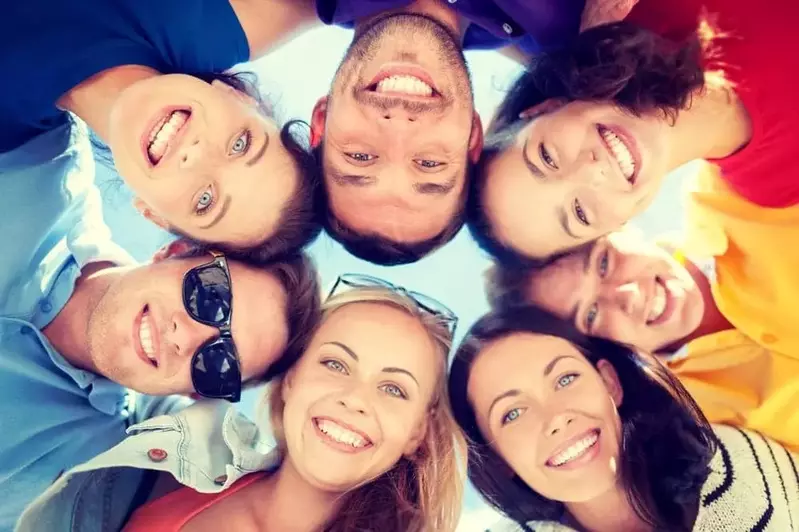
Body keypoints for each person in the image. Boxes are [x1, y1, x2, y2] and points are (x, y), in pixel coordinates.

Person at [0, 125, 322, 529]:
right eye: (210, 297)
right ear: (175, 250)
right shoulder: (38, 157)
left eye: (218, 363)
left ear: (195, 392)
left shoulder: (80, 482)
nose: (184, 336)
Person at [19, 278, 465, 532]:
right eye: (335, 364)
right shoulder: (183, 454)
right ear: (291, 379)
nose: (355, 399)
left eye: (394, 390)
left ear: (417, 433)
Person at [309, 0, 639, 265]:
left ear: (322, 121)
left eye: (360, 157)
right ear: (472, 137)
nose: (398, 125)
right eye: (429, 163)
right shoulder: (582, 28)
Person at [467, 0, 799, 263]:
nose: (590, 170)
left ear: (546, 108)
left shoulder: (631, 8)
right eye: (580, 214)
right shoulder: (776, 187)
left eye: (547, 157)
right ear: (618, 227)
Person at [2, 0, 324, 259]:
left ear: (153, 214)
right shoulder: (201, 16)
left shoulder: (15, 142)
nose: (196, 154)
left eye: (205, 200)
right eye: (241, 144)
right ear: (239, 97)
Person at [448, 305, 799, 532]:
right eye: (512, 414)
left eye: (565, 379)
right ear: (495, 457)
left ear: (609, 383)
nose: (555, 418)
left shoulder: (732, 465)